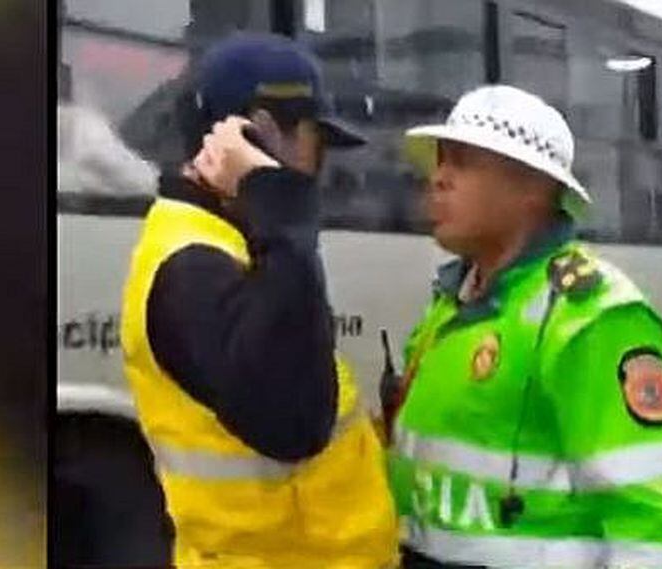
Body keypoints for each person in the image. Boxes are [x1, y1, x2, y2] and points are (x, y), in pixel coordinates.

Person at [384, 85, 662, 568]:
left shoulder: (593, 316)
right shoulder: (453, 303)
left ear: (534, 189)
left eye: (462, 162)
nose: (438, 178)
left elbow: (657, 517)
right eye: (440, 161)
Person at [120, 33, 398, 568]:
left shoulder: (228, 243)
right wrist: (279, 201)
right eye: (316, 144)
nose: (320, 172)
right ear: (260, 133)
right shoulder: (194, 266)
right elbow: (296, 420)